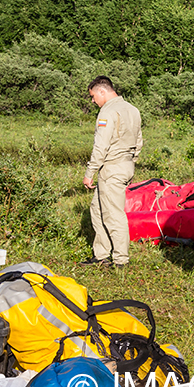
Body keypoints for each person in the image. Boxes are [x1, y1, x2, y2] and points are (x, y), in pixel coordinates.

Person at [82, 76, 143, 268]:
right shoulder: (133, 110)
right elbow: (139, 141)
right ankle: (101, 255)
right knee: (97, 209)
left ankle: (120, 260)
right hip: (125, 165)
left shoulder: (107, 112)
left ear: (102, 91)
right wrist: (130, 163)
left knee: (113, 215)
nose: (93, 101)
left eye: (93, 96)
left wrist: (89, 172)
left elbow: (101, 146)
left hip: (111, 167)